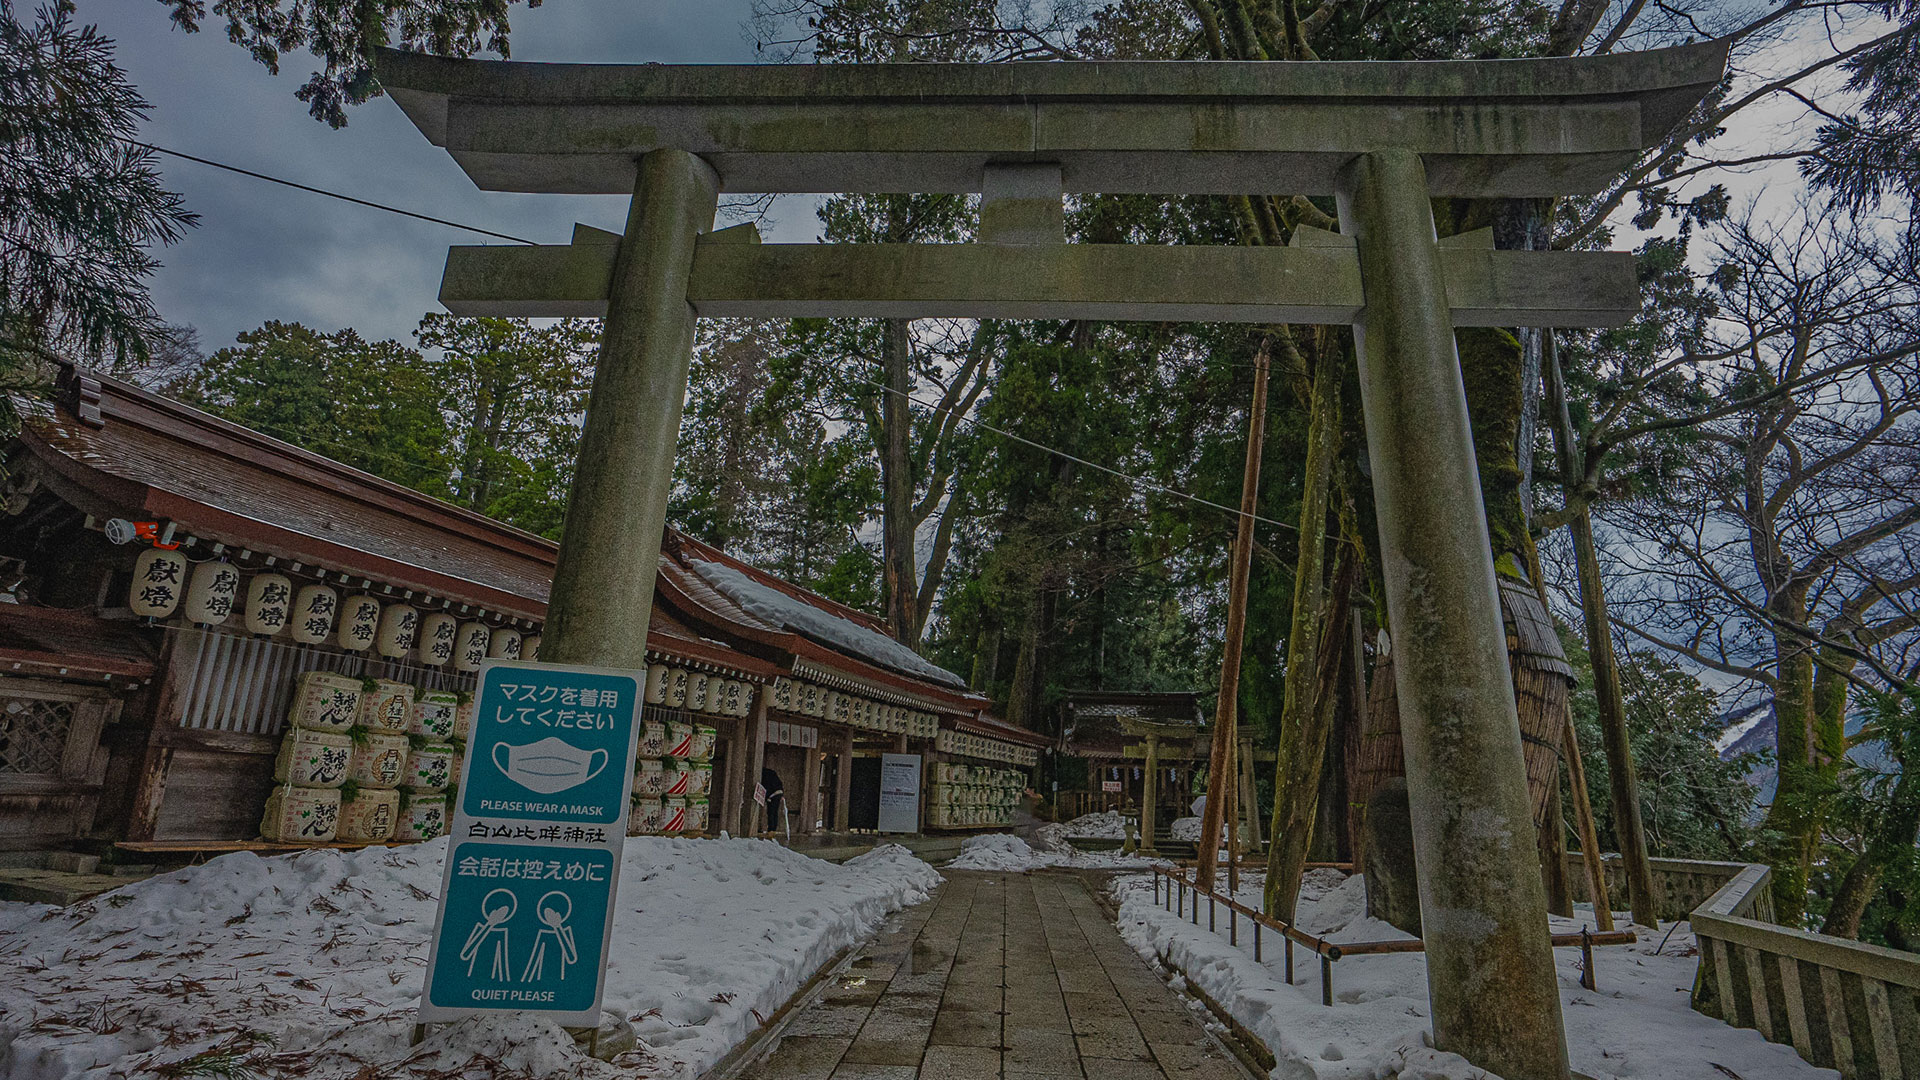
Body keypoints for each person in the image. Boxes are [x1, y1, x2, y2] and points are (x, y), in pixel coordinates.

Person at [761, 766, 785, 835]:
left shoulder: (764, 775)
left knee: (771, 812)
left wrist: (767, 797)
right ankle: (773, 829)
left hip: (772, 794)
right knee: (775, 812)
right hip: (779, 792)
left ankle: (771, 829)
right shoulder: (771, 772)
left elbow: (766, 786)